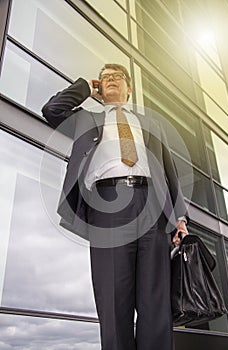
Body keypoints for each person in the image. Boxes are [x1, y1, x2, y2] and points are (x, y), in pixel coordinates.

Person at [42, 63, 189, 350]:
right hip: (107, 205)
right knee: (113, 300)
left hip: (153, 208)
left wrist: (180, 218)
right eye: (105, 77)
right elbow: (52, 111)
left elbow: (170, 174)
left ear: (129, 87)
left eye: (117, 76)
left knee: (155, 302)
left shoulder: (151, 124)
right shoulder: (86, 119)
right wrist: (86, 86)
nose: (110, 80)